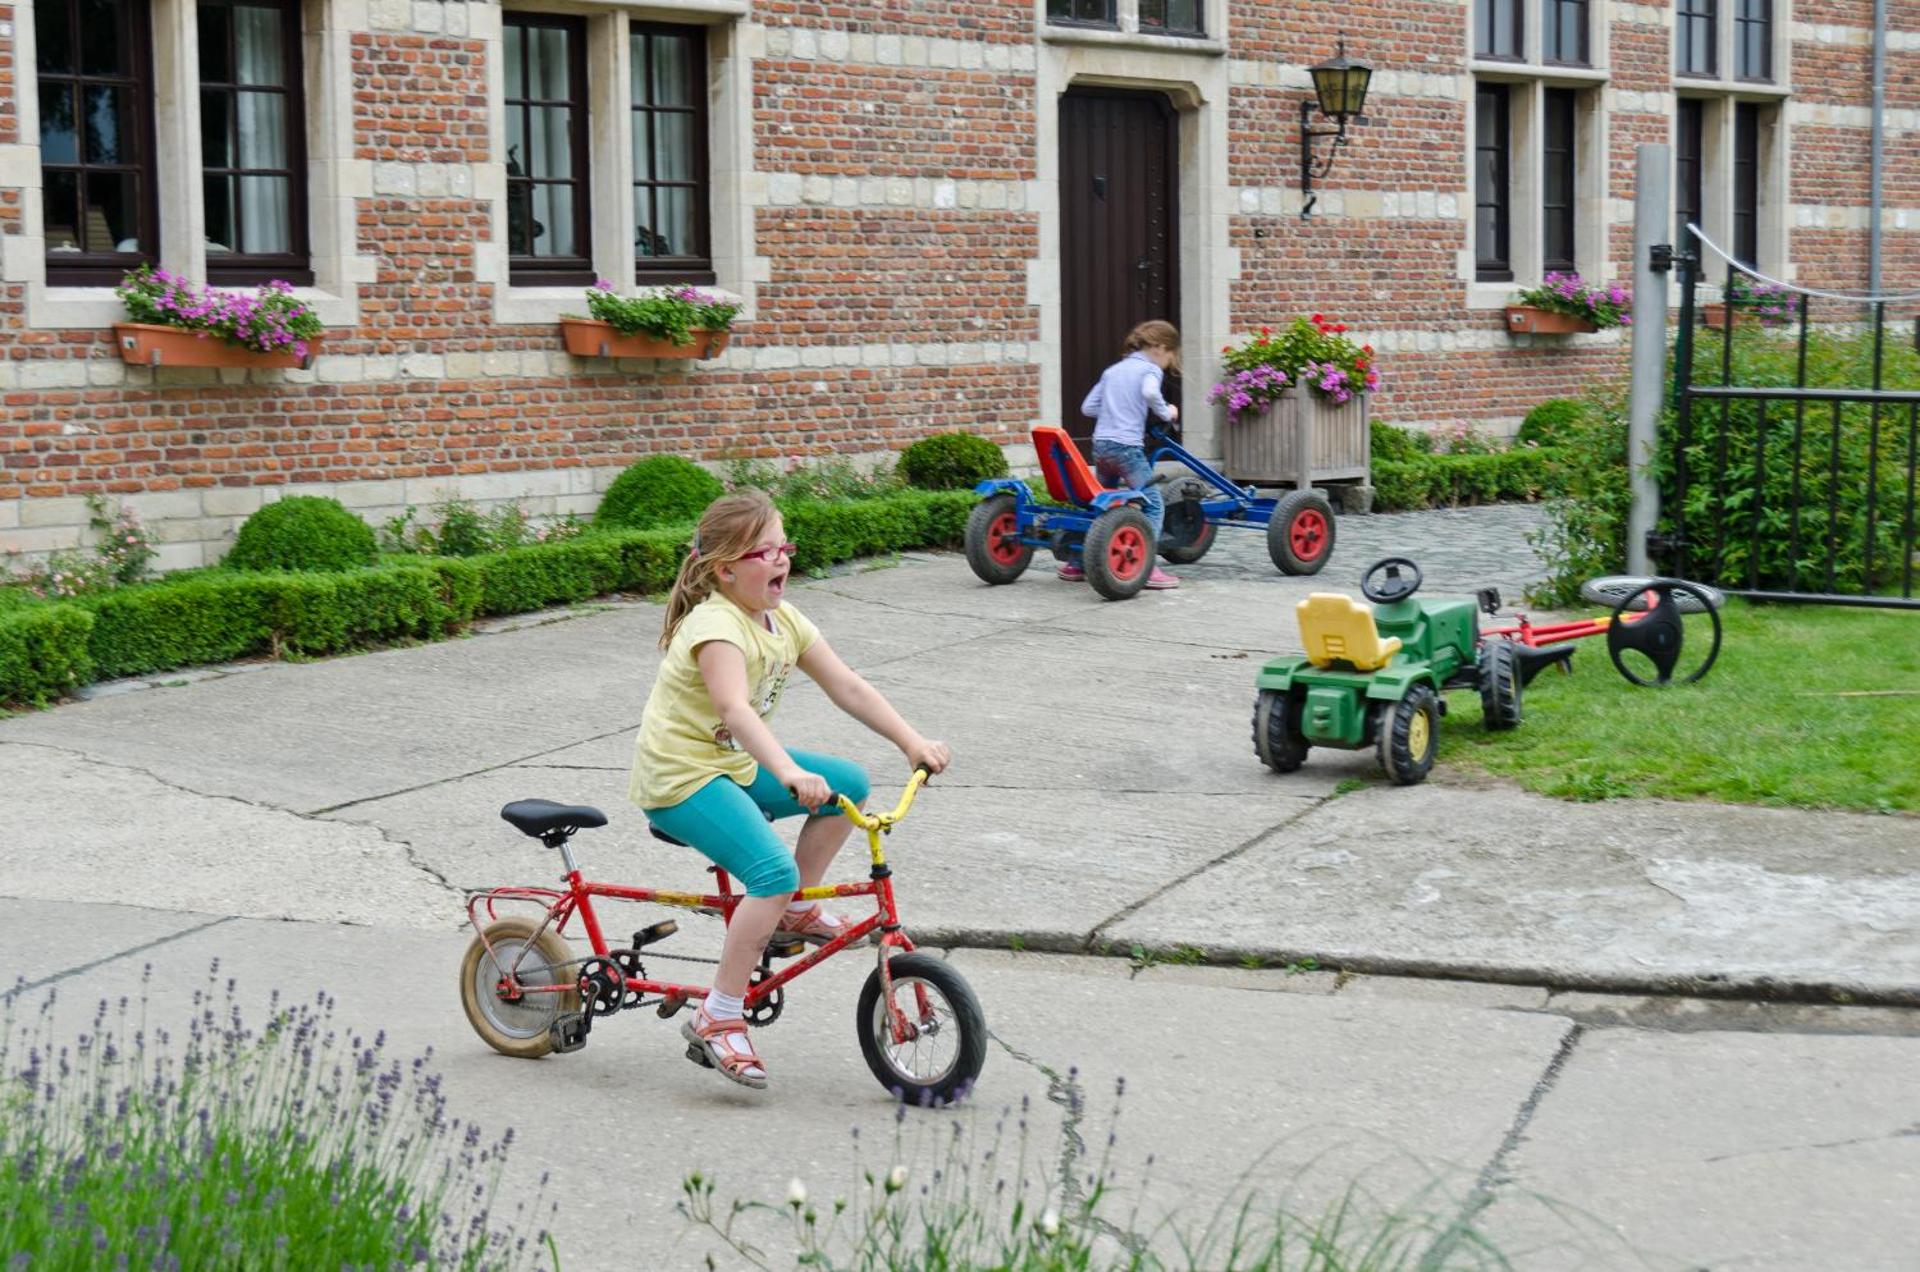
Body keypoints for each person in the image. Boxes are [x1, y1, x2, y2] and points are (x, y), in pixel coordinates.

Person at [630, 488, 951, 1089]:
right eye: (765, 552)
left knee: (848, 785)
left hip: (729, 763)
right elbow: (735, 708)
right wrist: (785, 771)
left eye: (785, 547)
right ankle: (718, 1015)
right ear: (725, 569)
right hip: (682, 776)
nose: (781, 561)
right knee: (770, 872)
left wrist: (910, 741)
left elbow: (847, 686)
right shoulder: (716, 626)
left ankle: (795, 911)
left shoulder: (783, 619)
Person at [1064, 320, 1183, 590]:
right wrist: (1168, 412)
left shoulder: (1113, 371)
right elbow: (1150, 393)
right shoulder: (1150, 369)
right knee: (1153, 504)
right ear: (1160, 347)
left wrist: (1115, 408)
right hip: (1127, 448)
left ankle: (1077, 563)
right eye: (1171, 356)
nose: (1169, 362)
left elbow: (1088, 408)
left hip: (1102, 446)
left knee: (1100, 504)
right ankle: (1147, 565)